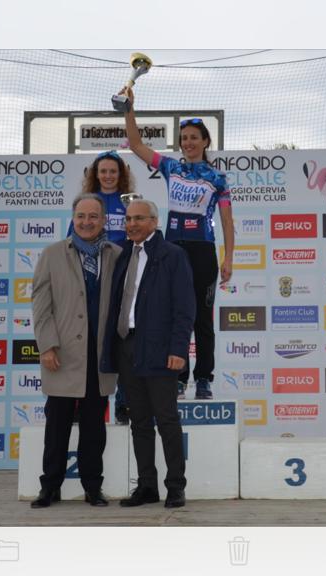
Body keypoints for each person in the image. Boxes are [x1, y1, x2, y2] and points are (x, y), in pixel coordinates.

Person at [121, 87, 234, 400]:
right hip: (172, 251)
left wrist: (229, 258)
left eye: (194, 137)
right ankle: (179, 376)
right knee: (174, 315)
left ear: (205, 141)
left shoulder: (217, 178)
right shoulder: (172, 168)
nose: (188, 143)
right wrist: (129, 109)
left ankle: (204, 378)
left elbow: (227, 221)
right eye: (184, 138)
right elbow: (136, 145)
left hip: (203, 251)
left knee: (203, 320)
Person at [101, 198, 195, 508]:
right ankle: (147, 486)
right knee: (139, 421)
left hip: (160, 349)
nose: (132, 224)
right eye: (128, 219)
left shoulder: (172, 255)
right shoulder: (123, 255)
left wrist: (178, 349)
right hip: (127, 346)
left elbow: (185, 308)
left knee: (166, 419)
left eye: (139, 218)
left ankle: (176, 487)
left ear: (154, 221)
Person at [30, 193, 122, 509]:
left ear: (104, 220)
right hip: (63, 355)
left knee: (94, 429)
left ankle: (93, 488)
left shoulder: (117, 255)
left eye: (93, 216)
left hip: (100, 358)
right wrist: (47, 346)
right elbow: (41, 306)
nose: (86, 222)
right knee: (57, 427)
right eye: (81, 216)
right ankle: (49, 488)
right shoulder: (52, 254)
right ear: (73, 218)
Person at [67, 150, 137, 424]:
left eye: (113, 171)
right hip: (93, 280)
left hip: (122, 279)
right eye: (103, 171)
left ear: (121, 175)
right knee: (88, 343)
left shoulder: (130, 201)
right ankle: (80, 403)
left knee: (122, 341)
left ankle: (124, 404)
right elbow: (71, 240)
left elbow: (140, 235)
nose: (108, 176)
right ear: (95, 174)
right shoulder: (88, 202)